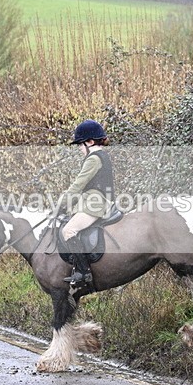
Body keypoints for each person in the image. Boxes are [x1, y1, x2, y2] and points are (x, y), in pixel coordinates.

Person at [60, 119, 115, 286]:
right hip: (95, 200)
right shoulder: (102, 156)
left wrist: (61, 204)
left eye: (80, 144)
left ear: (90, 142)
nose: (79, 148)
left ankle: (83, 273)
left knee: (68, 230)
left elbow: (79, 184)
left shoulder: (93, 159)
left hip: (96, 203)